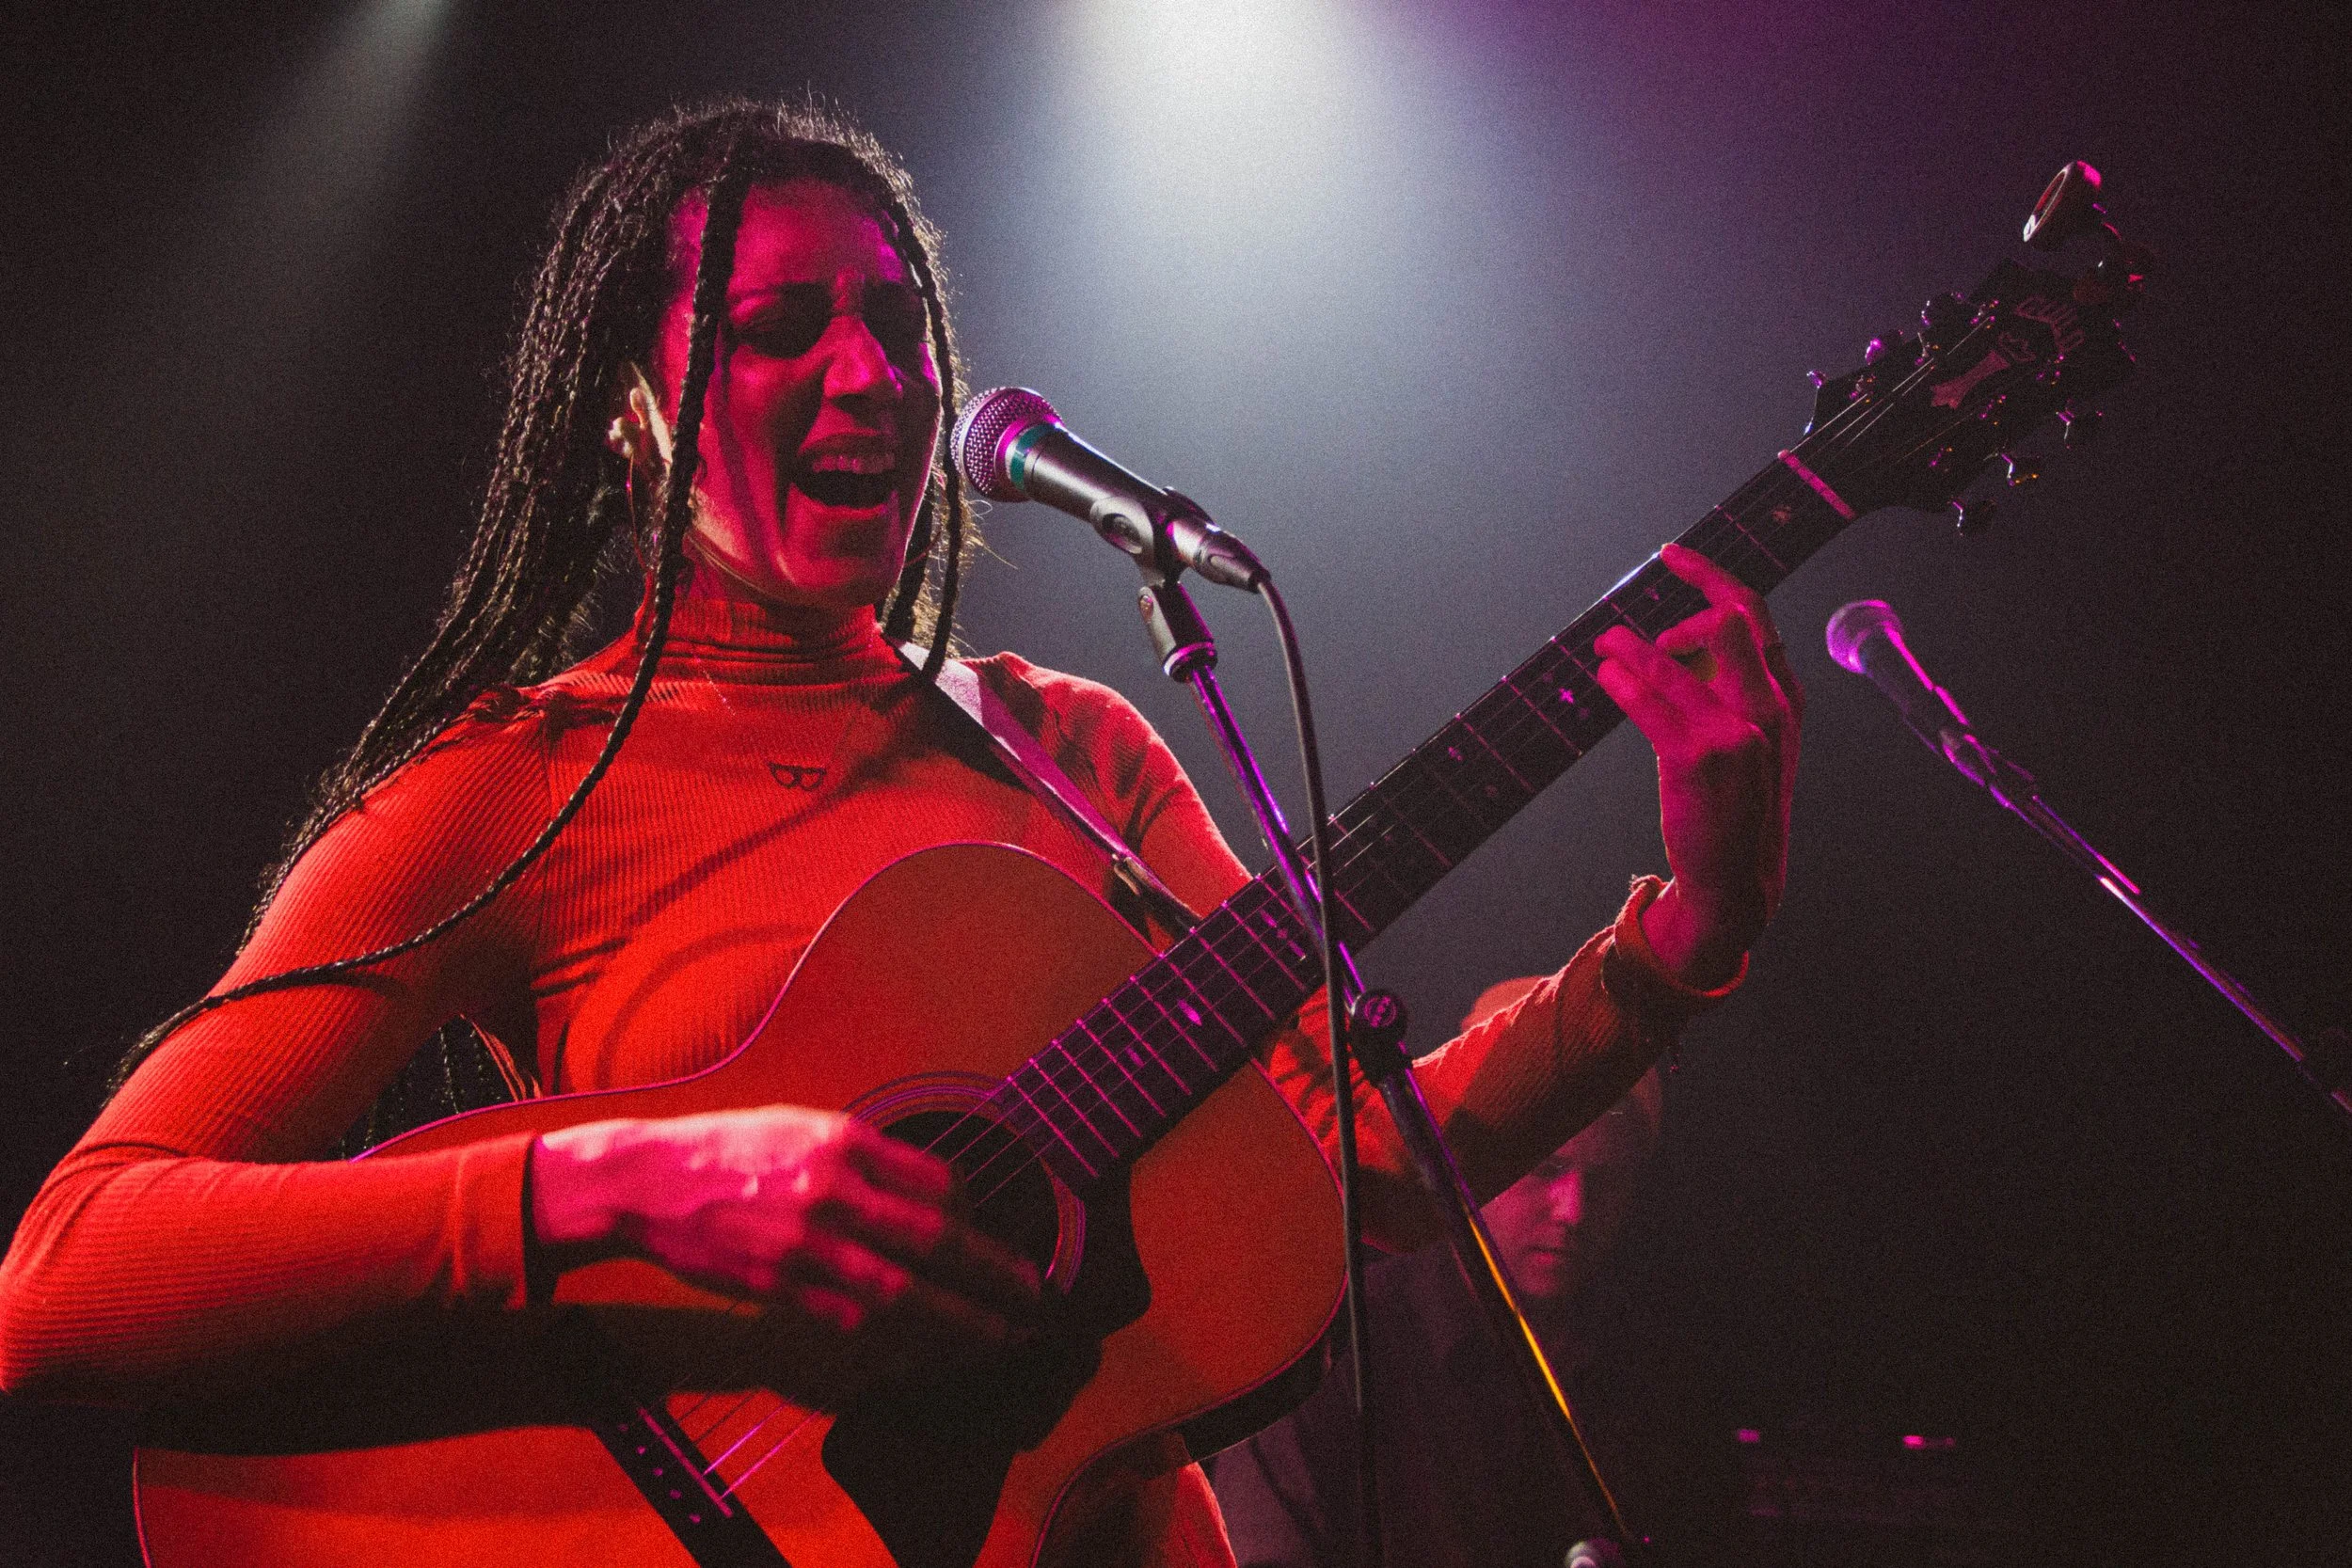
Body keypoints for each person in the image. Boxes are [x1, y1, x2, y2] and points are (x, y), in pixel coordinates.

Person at [0, 100, 1801, 1566]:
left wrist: (1684, 934)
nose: (868, 372)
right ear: (630, 417)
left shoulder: (1068, 751)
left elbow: (1361, 1162)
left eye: (896, 323)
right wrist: (619, 1187)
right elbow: (68, 1271)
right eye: (779, 326)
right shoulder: (509, 785)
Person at [1210, 982, 1737, 1567]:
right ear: (1470, 1161)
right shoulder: (1336, 1351)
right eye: (1547, 1168)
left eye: (1607, 1180)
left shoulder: (1662, 1379)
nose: (1574, 1210)